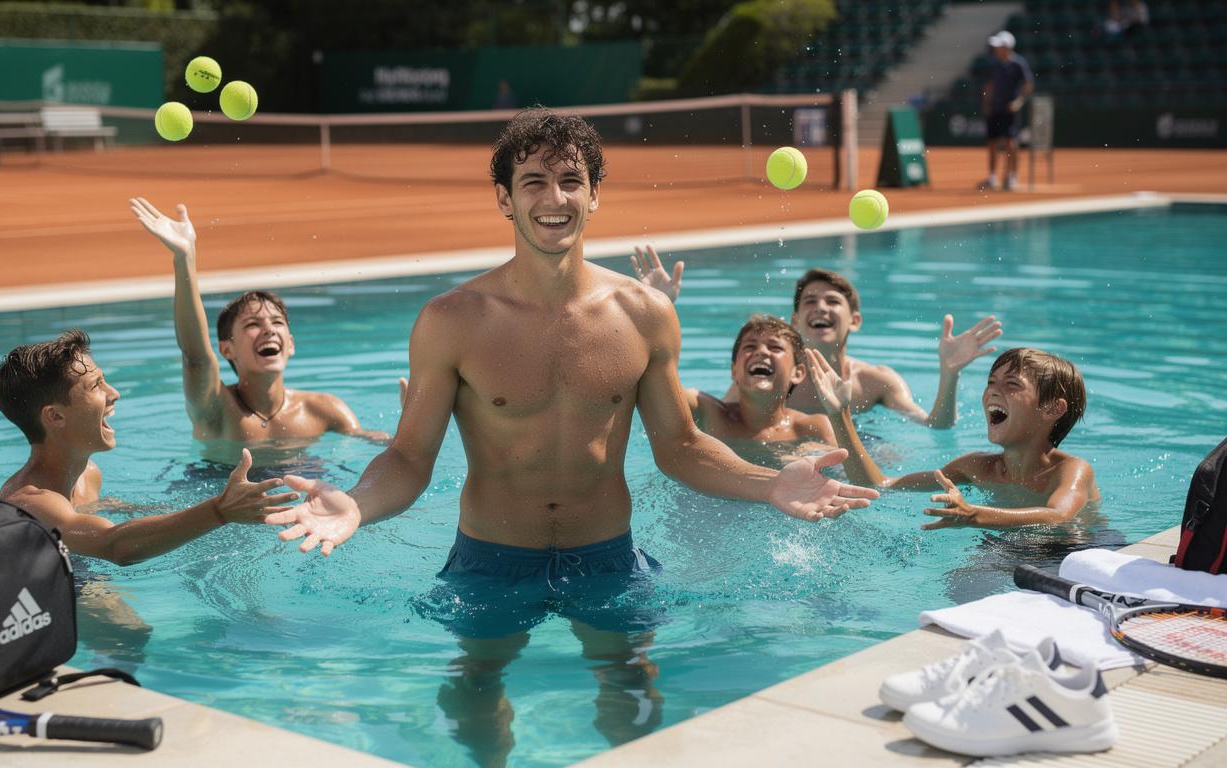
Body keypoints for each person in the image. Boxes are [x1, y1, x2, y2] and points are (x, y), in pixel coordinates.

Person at [265, 108, 878, 763]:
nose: (553, 198)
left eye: (569, 180)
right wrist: (357, 502)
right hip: (490, 560)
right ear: (504, 199)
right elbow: (411, 457)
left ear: (594, 195)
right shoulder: (452, 320)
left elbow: (682, 448)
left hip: (606, 558)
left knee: (631, 686)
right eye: (533, 182)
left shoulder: (644, 315)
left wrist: (770, 483)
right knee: (476, 684)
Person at [0, 329, 300, 565]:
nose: (113, 394)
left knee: (134, 639)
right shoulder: (27, 504)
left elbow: (81, 516)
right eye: (96, 386)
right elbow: (114, 546)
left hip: (77, 573)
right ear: (55, 416)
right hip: (40, 597)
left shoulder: (88, 474)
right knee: (132, 637)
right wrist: (219, 510)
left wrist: (138, 509)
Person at [130, 197, 394, 456]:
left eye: (277, 322)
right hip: (222, 493)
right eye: (253, 324)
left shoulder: (324, 410)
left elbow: (385, 448)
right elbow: (196, 356)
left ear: (290, 344)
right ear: (227, 349)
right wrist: (184, 258)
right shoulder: (216, 409)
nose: (269, 330)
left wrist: (412, 423)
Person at [631, 249, 1002, 429]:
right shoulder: (773, 376)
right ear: (794, 321)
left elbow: (935, 427)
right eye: (809, 301)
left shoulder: (875, 380)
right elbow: (727, 420)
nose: (819, 308)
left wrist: (949, 373)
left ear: (854, 320)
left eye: (831, 301)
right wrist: (656, 312)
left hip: (861, 449)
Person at [806, 346, 1099, 529]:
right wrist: (840, 415)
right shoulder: (976, 468)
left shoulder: (1071, 471)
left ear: (1052, 409)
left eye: (1012, 385)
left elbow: (1059, 516)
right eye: (991, 382)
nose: (993, 392)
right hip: (1011, 546)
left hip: (1075, 548)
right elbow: (878, 485)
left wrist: (974, 515)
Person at [687, 313, 835, 449]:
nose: (761, 351)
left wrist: (840, 414)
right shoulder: (708, 413)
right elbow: (666, 392)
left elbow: (852, 474)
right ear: (734, 371)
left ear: (798, 373)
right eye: (750, 346)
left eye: (775, 347)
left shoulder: (812, 428)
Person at [978, 31, 1035, 192]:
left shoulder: (1019, 64)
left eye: (999, 46)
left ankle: (1012, 177)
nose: (996, 49)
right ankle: (992, 178)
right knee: (992, 143)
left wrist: (1019, 101)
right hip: (994, 109)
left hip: (1009, 110)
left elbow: (1028, 84)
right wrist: (986, 103)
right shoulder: (994, 64)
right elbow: (989, 86)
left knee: (1011, 143)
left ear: (1007, 47)